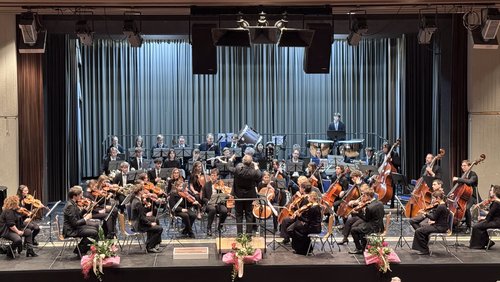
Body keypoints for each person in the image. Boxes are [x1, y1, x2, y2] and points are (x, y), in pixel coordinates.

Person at [228, 154, 262, 235]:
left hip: (238, 196)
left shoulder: (238, 169)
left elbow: (229, 167)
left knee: (239, 215)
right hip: (249, 196)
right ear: (251, 163)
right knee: (249, 215)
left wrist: (231, 159)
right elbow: (259, 175)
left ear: (243, 162)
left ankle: (239, 235)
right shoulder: (253, 171)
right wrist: (256, 166)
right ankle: (249, 235)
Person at [63, 186, 98, 256]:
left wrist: (86, 209)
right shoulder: (70, 206)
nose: (81, 196)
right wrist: (86, 218)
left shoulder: (72, 203)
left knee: (95, 229)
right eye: (79, 195)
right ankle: (81, 250)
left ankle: (82, 249)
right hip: (71, 230)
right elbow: (75, 223)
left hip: (74, 227)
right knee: (94, 232)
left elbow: (78, 215)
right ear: (74, 196)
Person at [411, 190, 450, 255]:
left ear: (438, 198)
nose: (433, 200)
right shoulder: (443, 205)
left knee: (418, 231)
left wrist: (425, 213)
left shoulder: (440, 207)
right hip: (441, 226)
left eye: (434, 198)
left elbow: (433, 217)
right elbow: (438, 218)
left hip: (440, 227)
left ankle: (425, 250)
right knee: (422, 229)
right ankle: (424, 247)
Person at [349, 188, 385, 254]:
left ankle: (359, 249)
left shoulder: (369, 207)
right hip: (380, 225)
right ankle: (364, 245)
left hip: (373, 228)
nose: (363, 197)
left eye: (364, 195)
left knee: (353, 230)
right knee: (360, 226)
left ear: (369, 196)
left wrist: (358, 213)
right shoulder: (380, 203)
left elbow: (366, 219)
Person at [130, 184, 163, 253]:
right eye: (143, 190)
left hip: (137, 221)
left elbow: (140, 213)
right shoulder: (137, 203)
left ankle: (154, 243)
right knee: (159, 228)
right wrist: (150, 224)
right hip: (138, 225)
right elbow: (142, 218)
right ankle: (150, 246)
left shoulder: (135, 199)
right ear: (140, 192)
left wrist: (145, 208)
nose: (144, 191)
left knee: (155, 219)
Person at [286, 191, 322, 255]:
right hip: (315, 226)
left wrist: (299, 216)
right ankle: (306, 249)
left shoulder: (313, 208)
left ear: (312, 198)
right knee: (296, 228)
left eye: (308, 197)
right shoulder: (316, 206)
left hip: (312, 227)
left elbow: (307, 220)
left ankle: (301, 250)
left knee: (294, 229)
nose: (308, 199)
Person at [452, 159, 480, 233]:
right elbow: (460, 187)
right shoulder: (463, 175)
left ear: (469, 166)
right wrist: (454, 193)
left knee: (466, 208)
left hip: (472, 196)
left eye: (464, 165)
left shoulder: (473, 174)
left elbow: (470, 182)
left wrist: (458, 179)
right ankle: (455, 224)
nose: (462, 167)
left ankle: (469, 227)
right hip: (464, 196)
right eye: (462, 165)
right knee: (454, 206)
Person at [470, 185, 500, 249]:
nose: (490, 192)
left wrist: (483, 218)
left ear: (495, 192)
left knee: (476, 226)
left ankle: (478, 245)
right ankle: (487, 242)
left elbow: (490, 216)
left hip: (496, 222)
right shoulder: (497, 202)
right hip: (495, 221)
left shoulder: (496, 203)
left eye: (491, 190)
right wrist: (481, 210)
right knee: (480, 225)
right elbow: (492, 214)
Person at [202, 168, 229, 236]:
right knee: (212, 209)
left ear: (217, 176)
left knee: (225, 210)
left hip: (218, 203)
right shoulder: (206, 185)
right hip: (209, 204)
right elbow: (203, 198)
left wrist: (225, 193)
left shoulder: (220, 184)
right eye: (212, 175)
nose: (213, 177)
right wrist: (208, 202)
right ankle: (209, 228)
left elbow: (225, 196)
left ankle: (220, 227)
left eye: (215, 175)